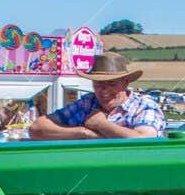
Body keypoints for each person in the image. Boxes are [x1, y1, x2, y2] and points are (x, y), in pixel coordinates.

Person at [27, 52, 166, 139]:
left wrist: (101, 124)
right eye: (98, 84)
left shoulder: (144, 106)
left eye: (111, 83)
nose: (104, 90)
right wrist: (83, 132)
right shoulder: (87, 103)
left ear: (125, 83)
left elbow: (143, 141)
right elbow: (37, 128)